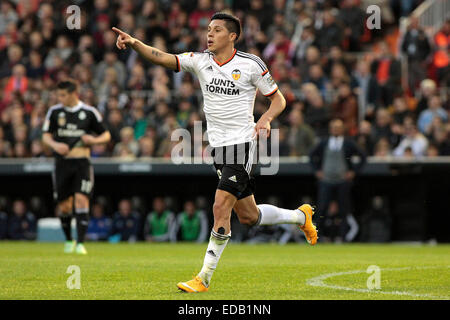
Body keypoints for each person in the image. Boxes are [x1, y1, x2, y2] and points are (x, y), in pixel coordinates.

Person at [113, 12, 318, 293]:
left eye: (217, 30)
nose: (209, 34)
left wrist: (266, 119)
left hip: (243, 144)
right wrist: (135, 43)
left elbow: (278, 100)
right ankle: (300, 217)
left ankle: (204, 278)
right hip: (218, 148)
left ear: (232, 36)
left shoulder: (250, 64)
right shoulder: (200, 61)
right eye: (208, 29)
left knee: (220, 207)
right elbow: (162, 57)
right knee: (249, 216)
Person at [42, 80, 111, 254]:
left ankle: (80, 243)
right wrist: (55, 145)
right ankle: (68, 239)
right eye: (58, 95)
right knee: (64, 206)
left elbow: (106, 135)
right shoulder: (55, 112)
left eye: (63, 95)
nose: (60, 98)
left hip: (82, 163)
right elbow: (46, 136)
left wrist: (93, 140)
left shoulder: (88, 112)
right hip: (62, 164)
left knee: (81, 199)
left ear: (74, 93)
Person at [309, 119, 366, 242]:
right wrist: (317, 171)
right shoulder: (324, 142)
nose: (335, 129)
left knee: (344, 210)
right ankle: (318, 237)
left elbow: (363, 156)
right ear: (330, 129)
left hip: (342, 181)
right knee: (322, 209)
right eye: (333, 127)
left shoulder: (348, 143)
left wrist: (354, 172)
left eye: (338, 127)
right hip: (326, 181)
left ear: (342, 129)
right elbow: (311, 156)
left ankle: (344, 237)